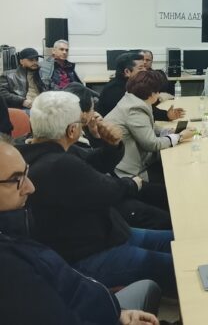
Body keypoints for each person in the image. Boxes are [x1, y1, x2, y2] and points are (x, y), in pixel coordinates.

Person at [17, 91, 177, 297]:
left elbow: (93, 163)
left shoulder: (32, 151)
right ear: (72, 130)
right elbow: (109, 190)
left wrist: (111, 146)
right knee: (178, 264)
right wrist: (132, 184)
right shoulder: (58, 164)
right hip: (88, 256)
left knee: (176, 239)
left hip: (106, 234)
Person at [0, 139, 162, 324]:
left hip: (101, 275)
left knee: (151, 283)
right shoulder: (9, 265)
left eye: (26, 173)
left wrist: (120, 313)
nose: (30, 187)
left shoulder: (16, 227)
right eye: (17, 179)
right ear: (71, 129)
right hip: (99, 252)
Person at [65, 83, 172, 230]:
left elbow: (98, 163)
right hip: (113, 198)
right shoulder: (70, 148)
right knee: (166, 217)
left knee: (165, 194)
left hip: (118, 184)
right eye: (92, 108)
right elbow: (98, 178)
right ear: (82, 115)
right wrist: (130, 184)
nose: (94, 112)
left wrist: (96, 135)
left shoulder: (81, 134)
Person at [106, 70, 195, 182]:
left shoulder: (133, 100)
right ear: (152, 93)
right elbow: (152, 144)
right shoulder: (135, 110)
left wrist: (167, 132)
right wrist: (179, 137)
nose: (159, 95)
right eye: (158, 92)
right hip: (129, 173)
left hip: (130, 161)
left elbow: (147, 125)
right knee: (177, 175)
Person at [98, 53, 184, 121]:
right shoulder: (115, 91)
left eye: (144, 67)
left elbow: (145, 107)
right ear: (127, 72)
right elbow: (140, 112)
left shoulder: (132, 85)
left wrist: (166, 115)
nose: (145, 71)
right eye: (140, 68)